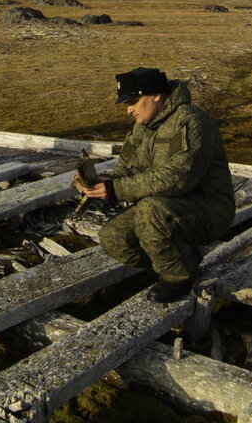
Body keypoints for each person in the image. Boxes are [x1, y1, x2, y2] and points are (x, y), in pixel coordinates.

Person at [78, 67, 235, 302]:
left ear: (156, 95)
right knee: (113, 237)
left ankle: (179, 278)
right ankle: (179, 261)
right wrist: (100, 183)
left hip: (209, 208)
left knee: (150, 210)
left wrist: (117, 189)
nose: (128, 109)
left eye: (133, 101)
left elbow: (178, 178)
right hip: (165, 207)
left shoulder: (191, 121)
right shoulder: (141, 127)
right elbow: (126, 170)